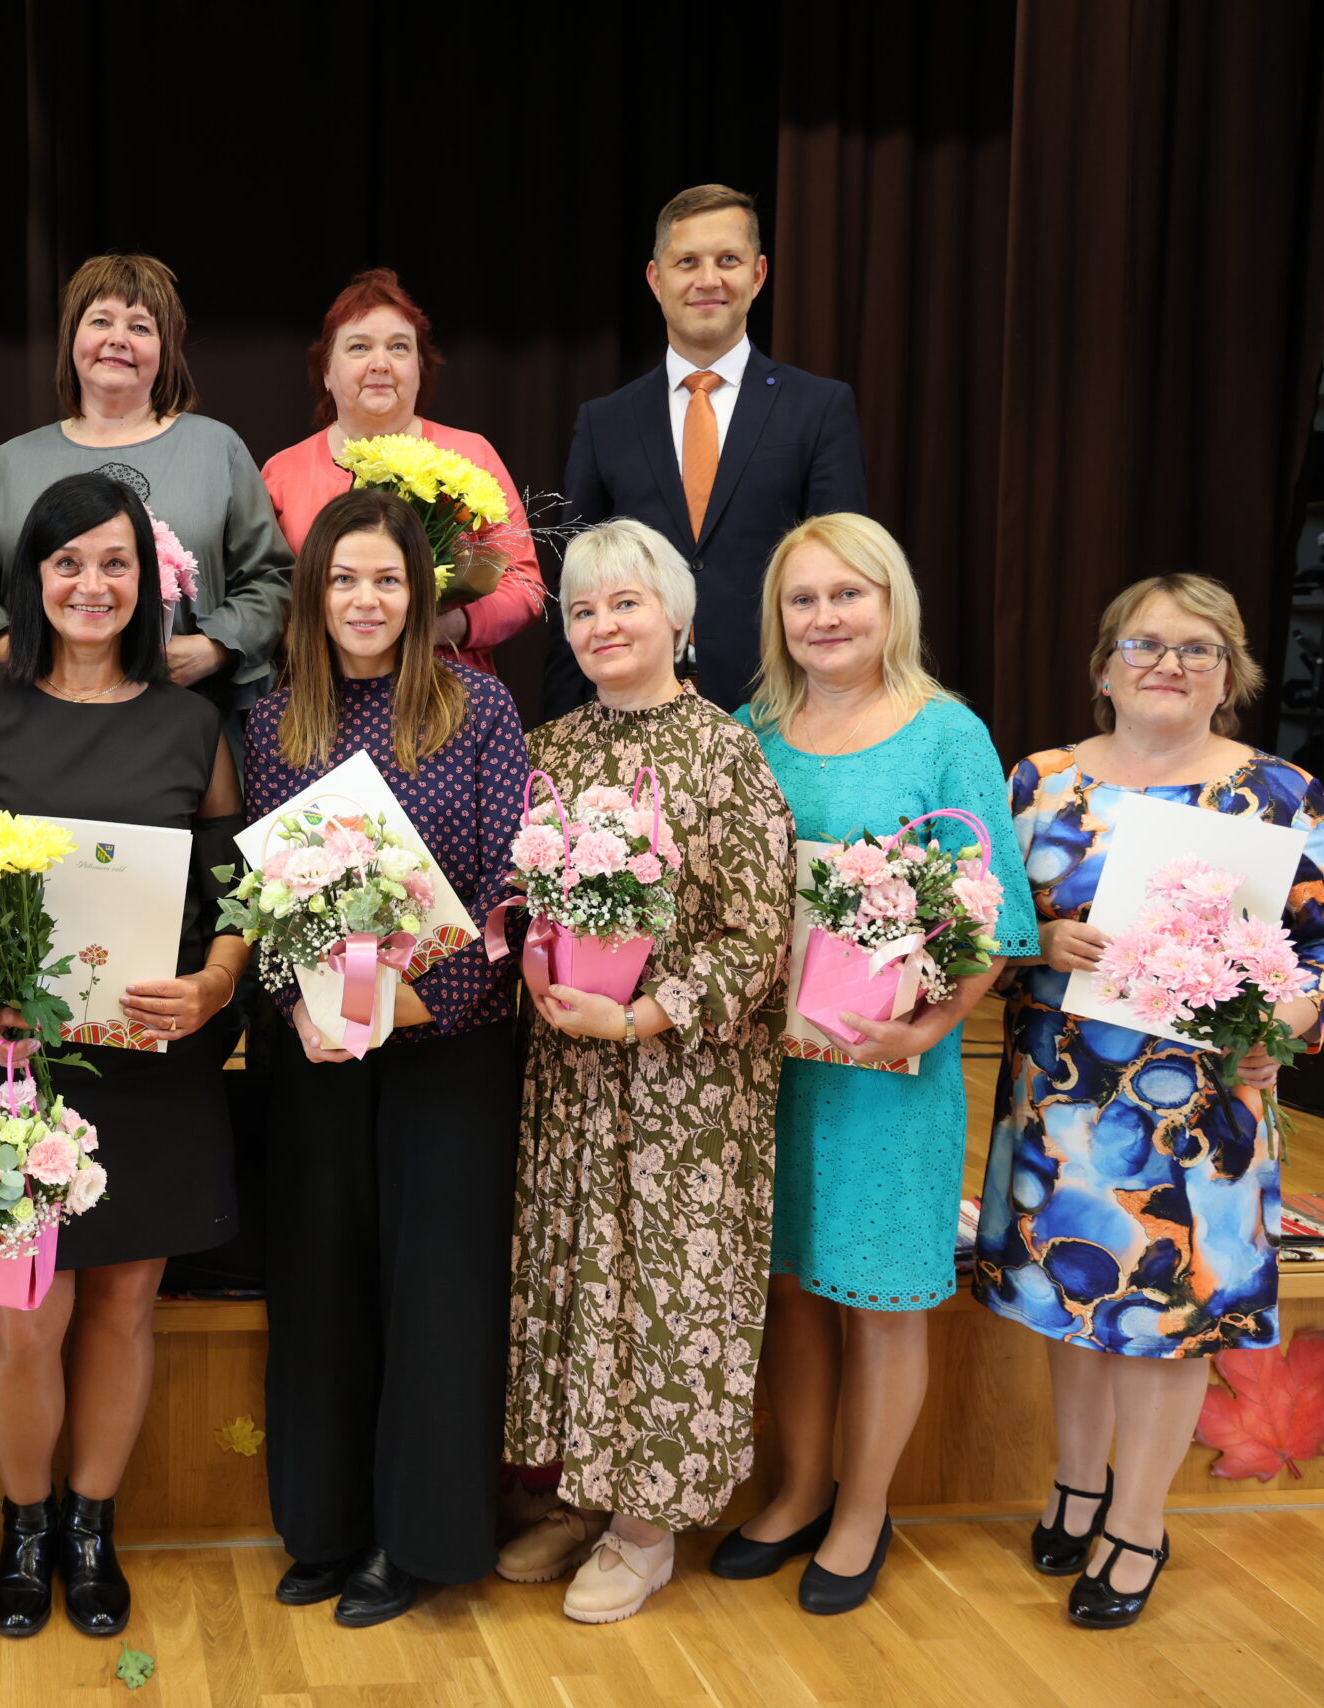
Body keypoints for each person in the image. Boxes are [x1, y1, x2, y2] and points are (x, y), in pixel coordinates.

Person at [973, 575, 1324, 1628]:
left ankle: (1137, 1523)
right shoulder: (1039, 781)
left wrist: (1285, 1017)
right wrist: (1037, 944)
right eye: (1144, 644)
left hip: (1204, 1120)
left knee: (1168, 1319)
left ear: (1229, 676)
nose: (1168, 663)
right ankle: (1075, 1481)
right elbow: (980, 929)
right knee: (1071, 1304)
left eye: (1197, 649)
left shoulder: (1280, 794)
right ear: (1103, 666)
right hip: (1062, 1102)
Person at [0, 473, 249, 1641]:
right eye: (66, 563)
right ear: (31, 579)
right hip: (15, 1063)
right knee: (22, 1315)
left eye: (114, 564)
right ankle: (25, 1522)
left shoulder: (195, 723)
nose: (91, 585)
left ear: (147, 582)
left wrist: (212, 984)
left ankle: (91, 1530)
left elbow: (234, 893)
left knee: (123, 1306)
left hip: (149, 1055)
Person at [717, 513, 1037, 1614]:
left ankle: (861, 1512)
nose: (823, 617)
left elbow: (994, 911)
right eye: (801, 600)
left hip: (890, 1071)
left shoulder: (945, 732)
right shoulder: (749, 726)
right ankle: (798, 1489)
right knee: (792, 1288)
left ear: (889, 601)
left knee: (884, 1296)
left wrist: (930, 1026)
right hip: (771, 1067)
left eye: (845, 594)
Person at [500, 519, 794, 1622]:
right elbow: (522, 895)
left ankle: (645, 1526)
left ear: (675, 614)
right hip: (571, 1069)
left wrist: (647, 1015)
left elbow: (756, 930)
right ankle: (585, 1492)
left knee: (663, 1298)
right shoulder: (551, 747)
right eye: (580, 609)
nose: (601, 625)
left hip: (682, 1081)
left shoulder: (725, 751)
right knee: (579, 1281)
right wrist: (530, 964)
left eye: (624, 603)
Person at [248, 487, 530, 1627]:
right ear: (313, 593)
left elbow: (512, 890)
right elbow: (264, 894)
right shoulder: (275, 720)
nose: (364, 599)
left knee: (434, 1294)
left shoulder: (478, 710)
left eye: (387, 580)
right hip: (322, 1049)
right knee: (319, 1285)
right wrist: (298, 1006)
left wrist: (433, 999)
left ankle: (416, 1539)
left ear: (421, 596)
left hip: (445, 1050)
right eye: (343, 578)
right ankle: (323, 1526)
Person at [553, 185, 867, 718]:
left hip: (784, 707)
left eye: (728, 260)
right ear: (657, 279)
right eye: (687, 262)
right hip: (634, 715)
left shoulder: (819, 407)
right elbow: (572, 582)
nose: (708, 280)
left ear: (758, 274)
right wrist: (561, 720)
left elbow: (845, 571)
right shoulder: (604, 421)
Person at [0, 252, 293, 710]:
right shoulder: (10, 464)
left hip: (189, 713)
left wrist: (215, 647)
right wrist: (5, 647)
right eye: (100, 321)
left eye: (139, 327)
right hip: (38, 713)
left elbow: (272, 578)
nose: (118, 339)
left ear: (165, 348)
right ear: (72, 338)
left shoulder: (217, 449)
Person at [260, 268, 547, 676]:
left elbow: (525, 585)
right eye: (359, 347)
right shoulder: (282, 472)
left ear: (419, 368)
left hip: (448, 691)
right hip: (325, 699)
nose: (380, 363)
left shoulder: (471, 454)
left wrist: (451, 625)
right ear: (326, 371)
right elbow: (265, 597)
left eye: (398, 347)